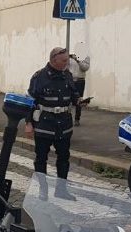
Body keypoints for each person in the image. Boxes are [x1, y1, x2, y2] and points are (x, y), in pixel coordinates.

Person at [25, 47, 89, 200]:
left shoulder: (67, 75)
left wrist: (79, 101)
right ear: (54, 60)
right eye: (64, 60)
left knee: (64, 158)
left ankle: (61, 190)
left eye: (68, 60)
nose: (68, 63)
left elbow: (73, 95)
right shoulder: (39, 77)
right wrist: (28, 123)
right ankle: (43, 190)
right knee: (41, 159)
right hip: (45, 125)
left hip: (64, 125)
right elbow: (30, 101)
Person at [68, 51, 90, 126]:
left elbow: (85, 68)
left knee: (79, 100)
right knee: (68, 100)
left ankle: (77, 119)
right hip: (70, 80)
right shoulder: (69, 56)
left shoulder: (85, 57)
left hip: (80, 81)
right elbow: (65, 67)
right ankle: (67, 118)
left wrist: (77, 60)